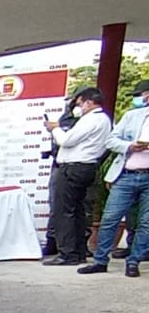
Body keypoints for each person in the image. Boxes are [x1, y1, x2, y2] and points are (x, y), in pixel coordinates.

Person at [79, 79, 149, 278]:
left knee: (145, 223)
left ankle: (134, 261)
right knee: (110, 218)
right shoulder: (132, 116)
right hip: (126, 174)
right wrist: (129, 146)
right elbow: (111, 140)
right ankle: (100, 260)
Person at [43, 87, 112, 266]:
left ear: (89, 102)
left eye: (80, 103)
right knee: (78, 212)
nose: (78, 107)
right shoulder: (104, 120)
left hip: (74, 167)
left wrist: (55, 129)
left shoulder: (90, 119)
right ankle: (79, 251)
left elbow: (66, 140)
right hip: (87, 167)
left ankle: (68, 253)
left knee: (64, 211)